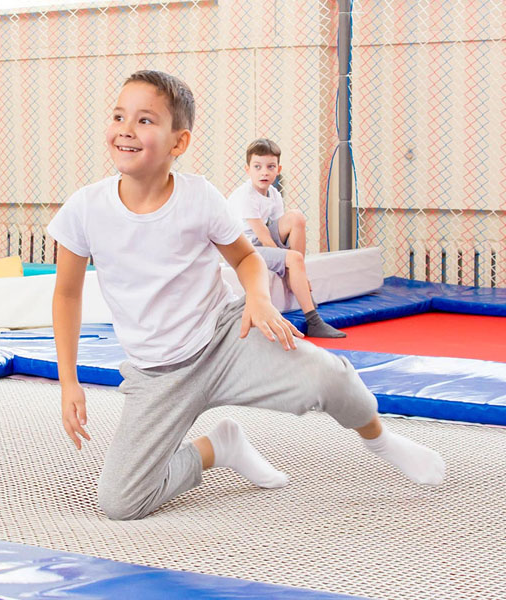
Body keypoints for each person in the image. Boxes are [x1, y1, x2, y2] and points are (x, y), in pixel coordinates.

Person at [48, 70, 445, 521]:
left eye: (144, 120)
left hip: (224, 340)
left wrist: (258, 298)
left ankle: (380, 440)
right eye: (119, 115)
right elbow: (66, 295)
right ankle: (220, 447)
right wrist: (68, 381)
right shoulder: (85, 209)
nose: (125, 128)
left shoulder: (199, 198)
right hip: (156, 374)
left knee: (327, 378)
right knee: (120, 504)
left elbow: (246, 259)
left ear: (178, 143)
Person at [229, 138, 345, 338]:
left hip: (260, 241)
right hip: (244, 248)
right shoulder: (245, 195)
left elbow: (280, 226)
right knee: (293, 258)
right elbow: (263, 235)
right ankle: (313, 320)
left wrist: (295, 264)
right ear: (248, 170)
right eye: (257, 167)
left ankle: (296, 271)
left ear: (278, 169)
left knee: (296, 217)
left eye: (270, 167)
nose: (264, 172)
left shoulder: (273, 193)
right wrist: (289, 259)